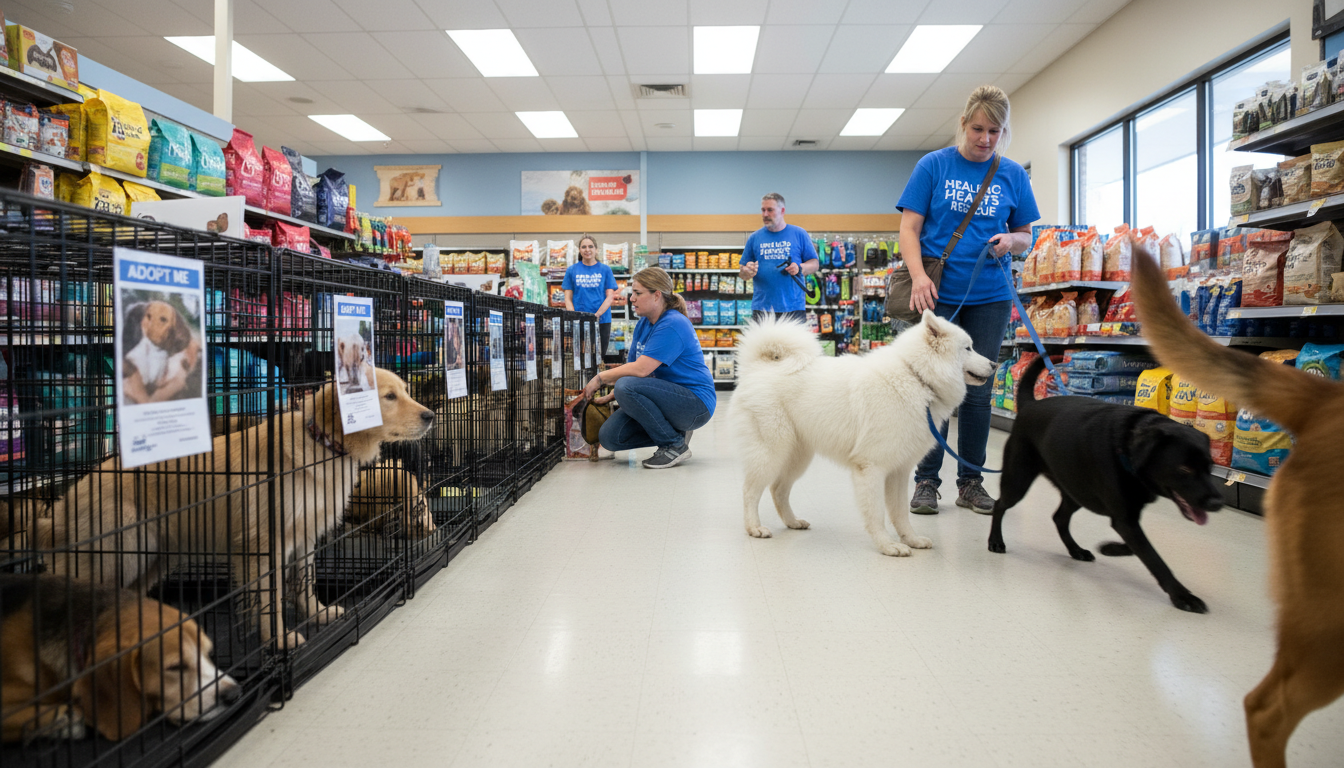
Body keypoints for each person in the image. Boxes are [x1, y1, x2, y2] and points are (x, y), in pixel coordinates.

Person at [899, 84, 1040, 515]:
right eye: (978, 128)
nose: (984, 139)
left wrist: (1009, 241)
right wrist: (920, 277)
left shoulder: (1012, 174)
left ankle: (971, 482)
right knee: (930, 389)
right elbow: (910, 229)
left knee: (978, 391)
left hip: (990, 296)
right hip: (938, 295)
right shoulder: (933, 165)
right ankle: (925, 482)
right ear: (963, 123)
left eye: (994, 131)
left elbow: (1026, 237)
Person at [580, 267, 715, 469]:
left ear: (657, 295)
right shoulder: (644, 324)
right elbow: (632, 369)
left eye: (638, 293)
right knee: (610, 437)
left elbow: (642, 370)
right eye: (632, 293)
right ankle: (675, 433)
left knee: (626, 385)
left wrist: (601, 378)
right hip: (665, 399)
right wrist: (612, 395)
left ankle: (674, 445)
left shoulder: (672, 323)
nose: (631, 298)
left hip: (695, 404)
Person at [738, 193, 819, 323]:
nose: (765, 214)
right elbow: (743, 272)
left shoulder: (799, 234)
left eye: (770, 210)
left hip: (793, 308)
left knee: (794, 344)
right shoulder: (754, 238)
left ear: (782, 211)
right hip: (762, 309)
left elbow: (814, 264)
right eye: (763, 210)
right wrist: (746, 272)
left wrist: (800, 268)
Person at [563, 234, 617, 358]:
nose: (587, 249)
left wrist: (597, 315)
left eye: (591, 246)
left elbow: (610, 297)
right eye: (584, 247)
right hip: (579, 321)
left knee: (599, 357)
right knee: (581, 358)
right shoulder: (572, 270)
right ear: (579, 250)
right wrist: (574, 315)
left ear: (596, 250)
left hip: (602, 321)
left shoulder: (605, 270)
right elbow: (568, 298)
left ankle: (597, 377)